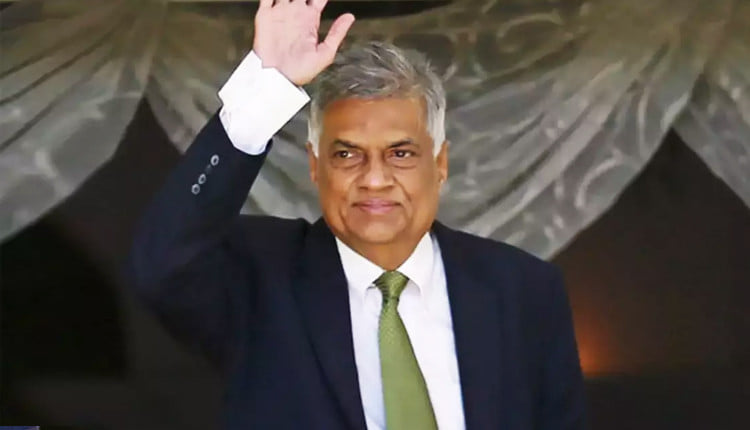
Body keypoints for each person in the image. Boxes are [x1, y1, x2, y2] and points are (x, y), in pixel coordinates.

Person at [127, 0, 586, 429]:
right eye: (347, 154)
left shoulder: (524, 290)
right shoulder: (261, 278)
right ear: (315, 166)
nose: (375, 179)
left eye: (401, 153)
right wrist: (266, 88)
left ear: (440, 164)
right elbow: (161, 265)